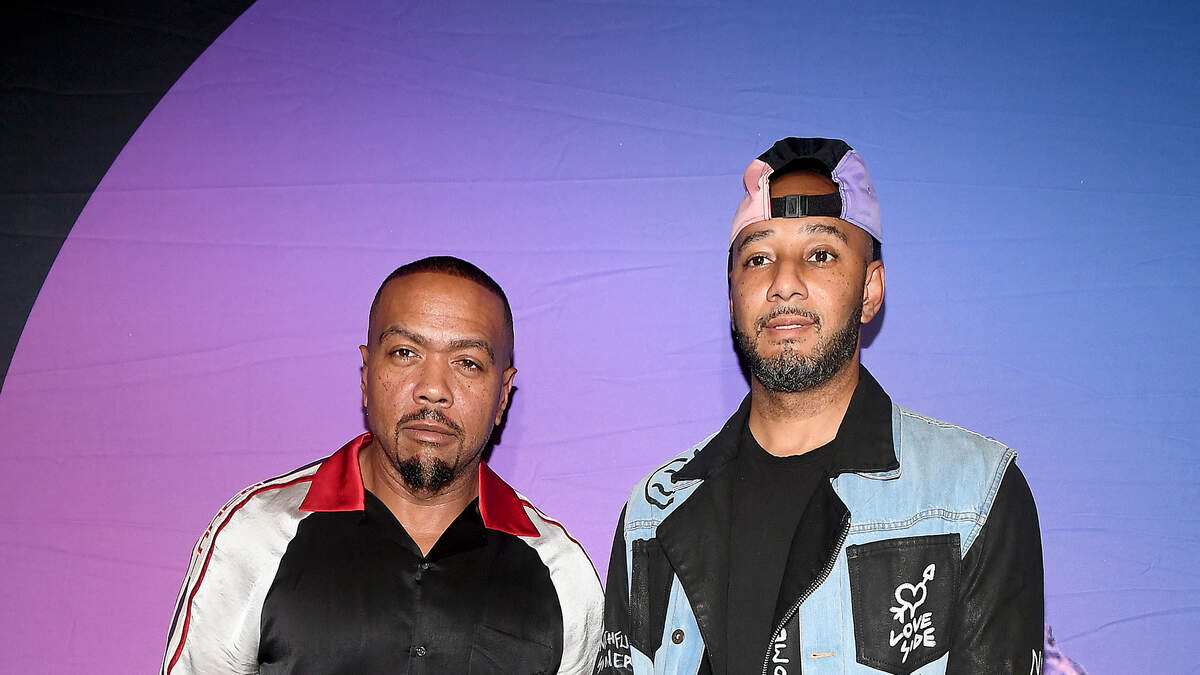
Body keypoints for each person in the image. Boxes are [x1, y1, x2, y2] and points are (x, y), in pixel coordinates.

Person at [596, 138, 1043, 674]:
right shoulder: (653, 511)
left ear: (870, 290)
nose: (784, 282)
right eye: (758, 258)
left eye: (820, 255)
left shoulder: (974, 494)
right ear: (733, 297)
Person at [162, 256, 603, 674]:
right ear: (365, 373)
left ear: (503, 395)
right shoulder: (257, 534)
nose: (433, 389)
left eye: (467, 362)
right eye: (405, 353)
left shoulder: (561, 572)